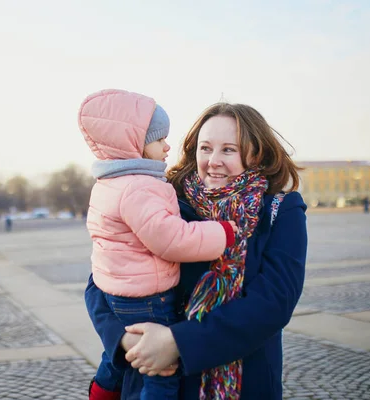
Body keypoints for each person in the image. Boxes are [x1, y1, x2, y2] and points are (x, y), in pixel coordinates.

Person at [85, 102, 308, 399]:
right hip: (150, 376)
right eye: (205, 148)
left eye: (229, 149)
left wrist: (177, 342)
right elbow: (103, 279)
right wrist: (124, 341)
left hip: (242, 384)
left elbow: (274, 302)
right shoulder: (163, 199)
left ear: (256, 153)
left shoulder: (280, 209)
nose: (213, 160)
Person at [80, 89, 237, 400]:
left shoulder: (109, 183)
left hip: (117, 293)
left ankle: (103, 389)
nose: (167, 146)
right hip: (148, 298)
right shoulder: (140, 188)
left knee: (126, 355)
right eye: (158, 140)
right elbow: (172, 239)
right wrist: (223, 233)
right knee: (162, 371)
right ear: (135, 145)